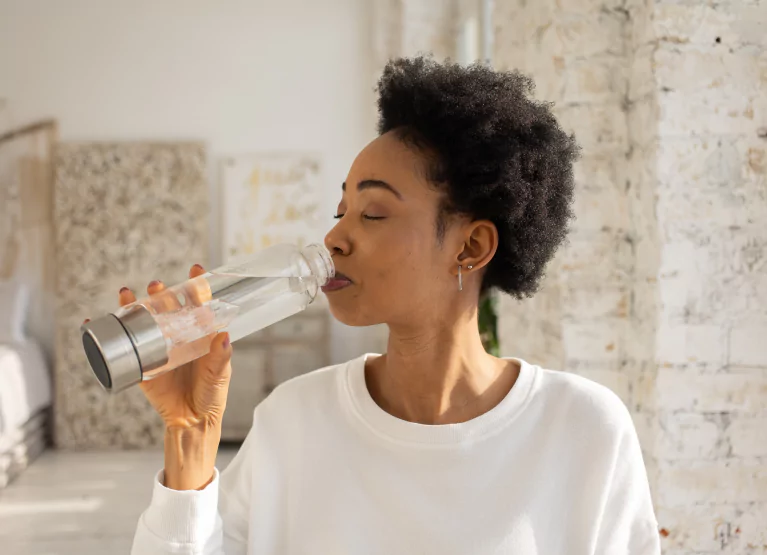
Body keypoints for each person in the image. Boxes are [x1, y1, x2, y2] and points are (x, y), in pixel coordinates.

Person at [126, 57, 660, 554]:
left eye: (373, 213)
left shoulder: (583, 430)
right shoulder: (293, 422)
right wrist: (190, 440)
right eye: (341, 211)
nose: (334, 238)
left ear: (470, 247)